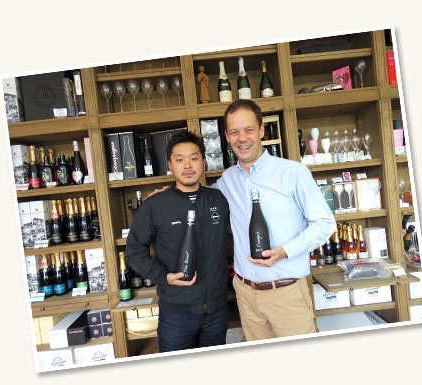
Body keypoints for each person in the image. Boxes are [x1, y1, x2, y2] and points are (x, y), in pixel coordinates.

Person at [216, 99, 336, 341]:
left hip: (286, 292)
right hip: (246, 293)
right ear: (227, 137)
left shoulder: (293, 172)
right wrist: (169, 195)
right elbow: (199, 201)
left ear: (261, 130)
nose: (242, 138)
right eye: (234, 132)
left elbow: (325, 223)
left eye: (249, 130)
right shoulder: (226, 181)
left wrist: (285, 251)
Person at [125, 131, 230, 352]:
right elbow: (134, 251)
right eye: (180, 160)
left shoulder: (218, 199)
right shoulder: (154, 206)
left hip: (217, 310)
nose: (187, 166)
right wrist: (163, 276)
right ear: (170, 165)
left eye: (194, 158)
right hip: (176, 315)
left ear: (203, 162)